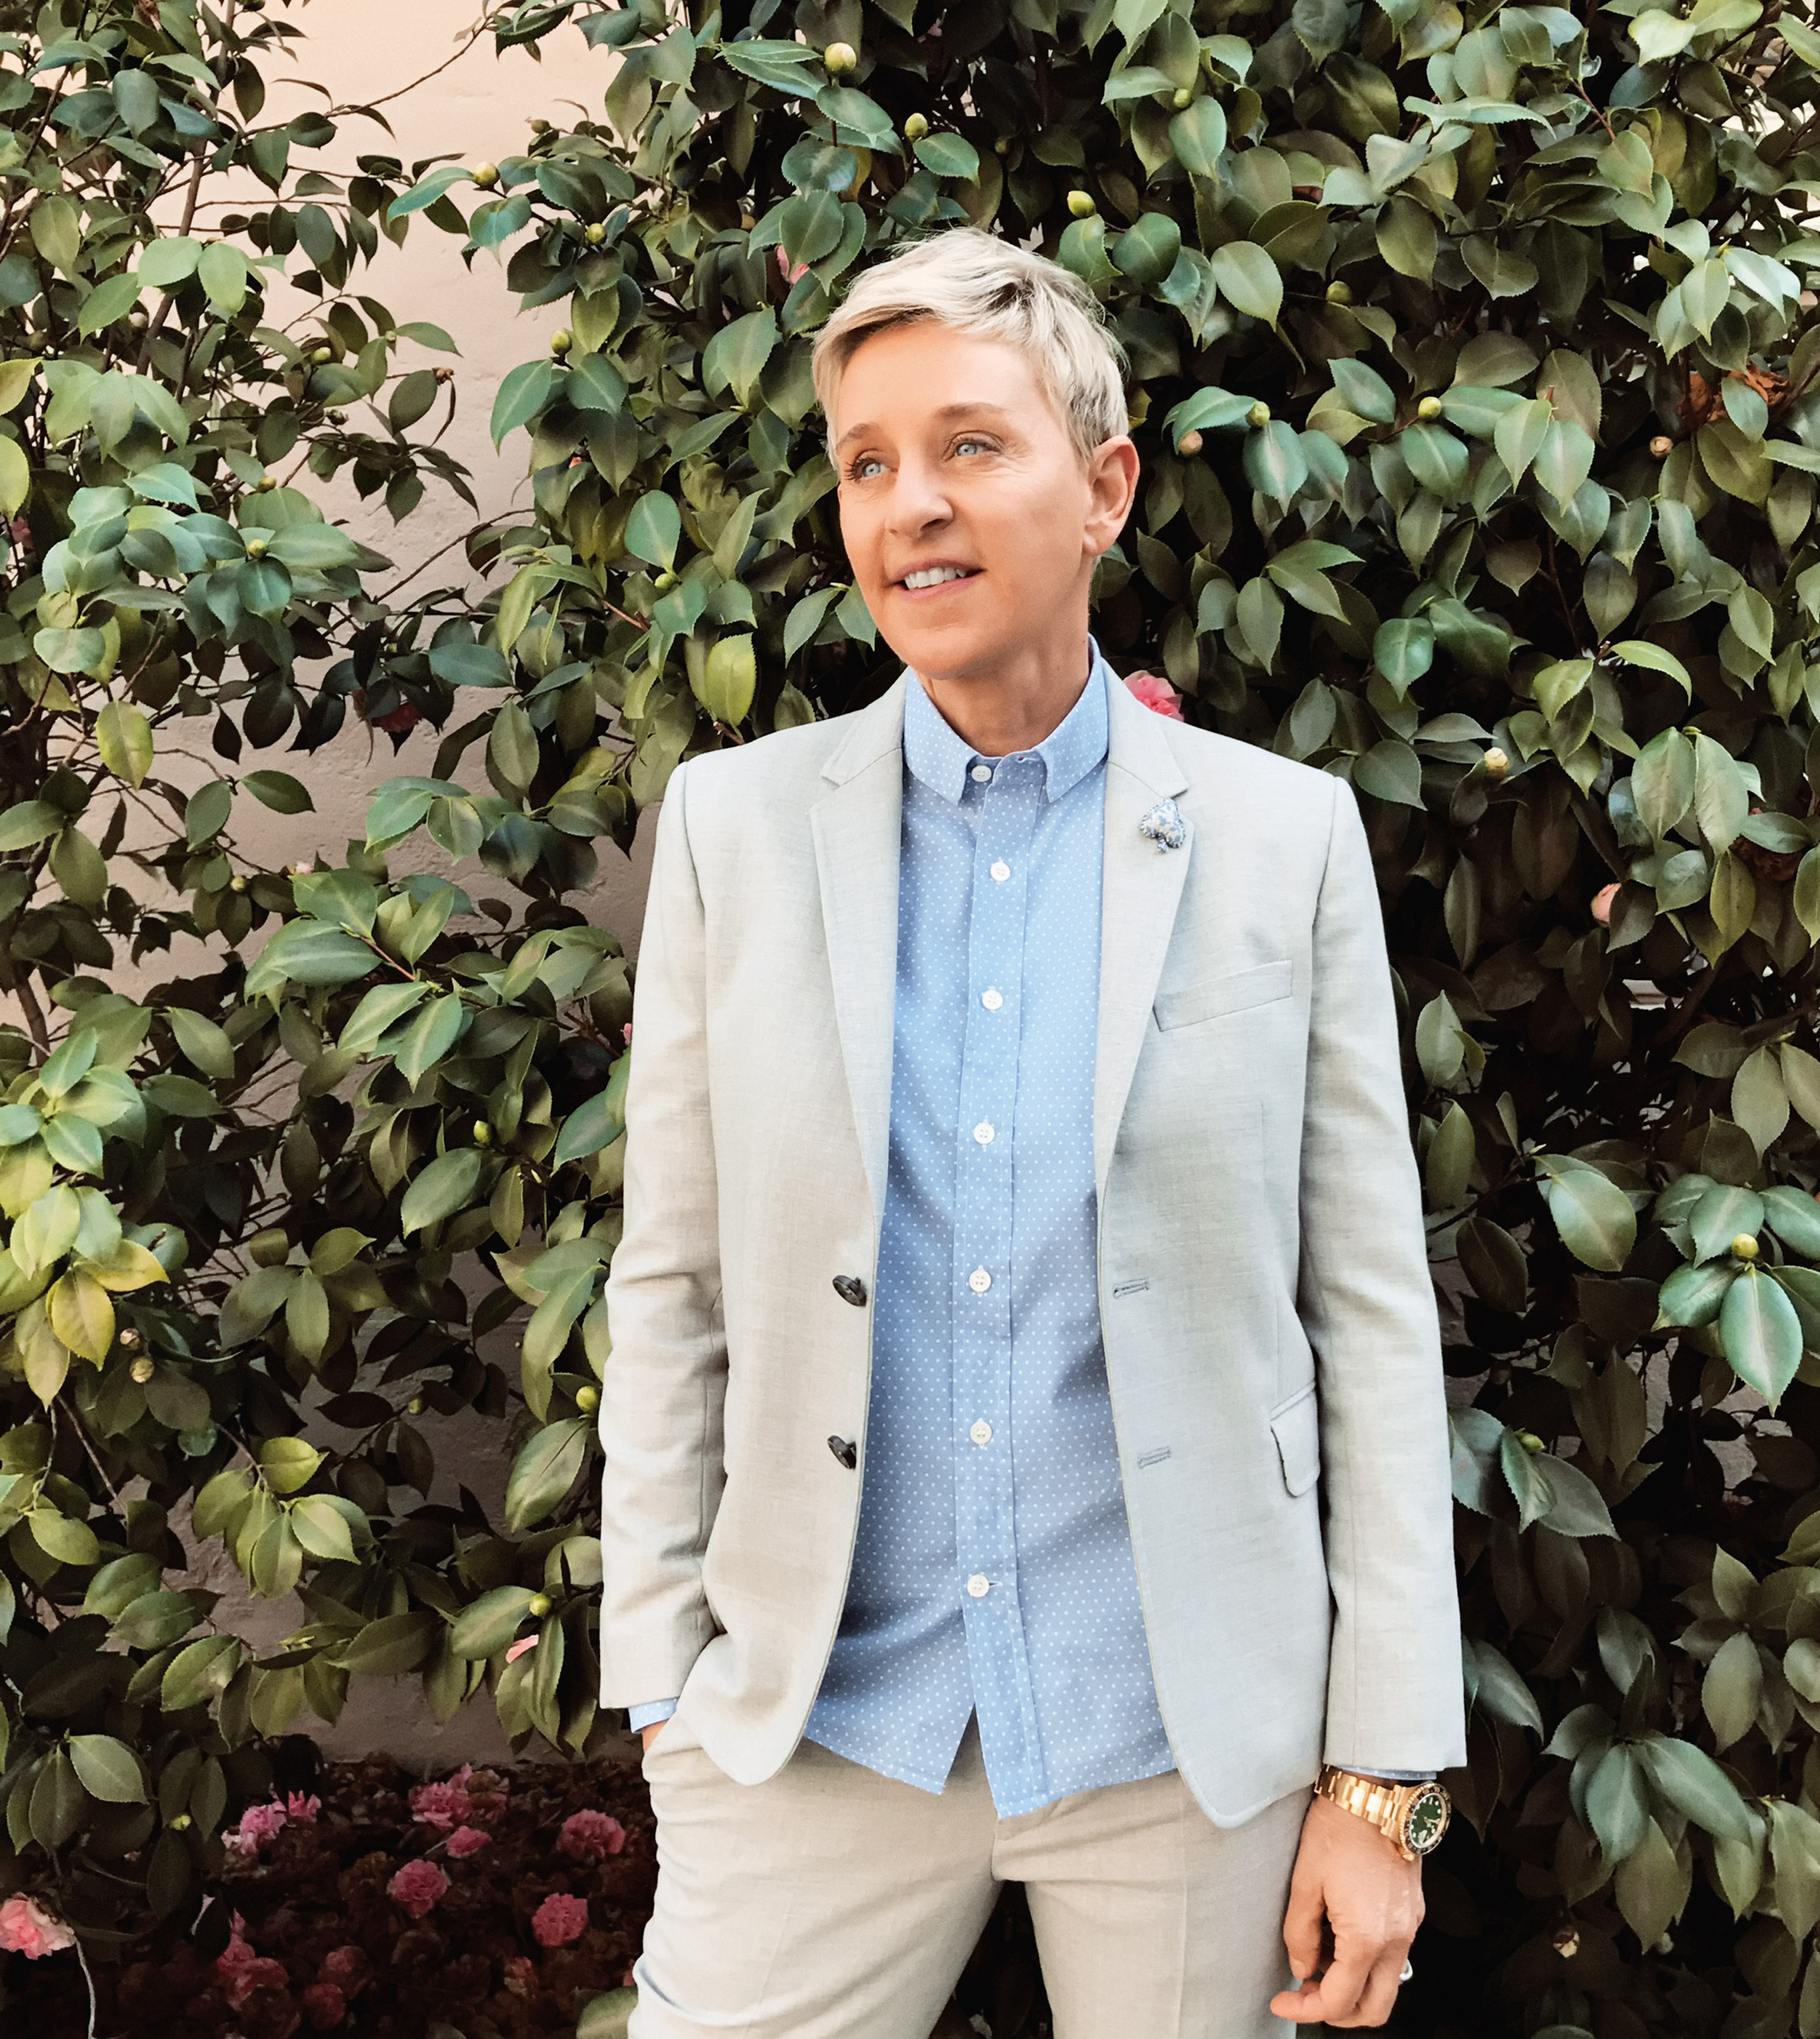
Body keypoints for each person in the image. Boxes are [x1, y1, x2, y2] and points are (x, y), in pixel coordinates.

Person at [598, 226, 1461, 2038]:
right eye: (867, 462)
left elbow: (1367, 1318)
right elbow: (670, 1280)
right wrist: (664, 1684)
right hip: (816, 1729)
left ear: (1106, 485)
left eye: (973, 445)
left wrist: (1374, 1785)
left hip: (1181, 1749)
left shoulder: (1277, 842)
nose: (911, 502)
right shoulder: (730, 831)